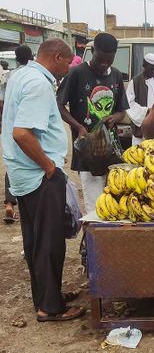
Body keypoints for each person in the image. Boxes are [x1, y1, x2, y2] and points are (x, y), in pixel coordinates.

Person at [1, 38, 85, 321]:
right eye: (68, 62)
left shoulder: (21, 74)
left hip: (22, 174)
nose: (68, 69)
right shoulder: (38, 84)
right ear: (58, 57)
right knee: (50, 242)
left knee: (35, 240)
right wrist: (49, 167)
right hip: (39, 175)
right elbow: (22, 133)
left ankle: (47, 296)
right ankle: (50, 308)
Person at [57, 33, 128, 213]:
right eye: (100, 59)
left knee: (114, 200)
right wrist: (79, 127)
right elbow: (59, 105)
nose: (104, 64)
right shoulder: (77, 73)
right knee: (95, 204)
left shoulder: (117, 76)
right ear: (93, 51)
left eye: (109, 60)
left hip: (112, 150)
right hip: (88, 150)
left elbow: (122, 110)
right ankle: (93, 240)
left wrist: (116, 117)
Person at [2, 45, 34, 224]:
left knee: (12, 166)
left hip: (9, 124)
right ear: (31, 57)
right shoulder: (33, 76)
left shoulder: (11, 76)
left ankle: (9, 204)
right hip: (27, 128)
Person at [126, 53, 154, 145]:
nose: (153, 71)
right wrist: (146, 112)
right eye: (151, 69)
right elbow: (129, 103)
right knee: (139, 153)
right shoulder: (135, 82)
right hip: (141, 125)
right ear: (144, 65)